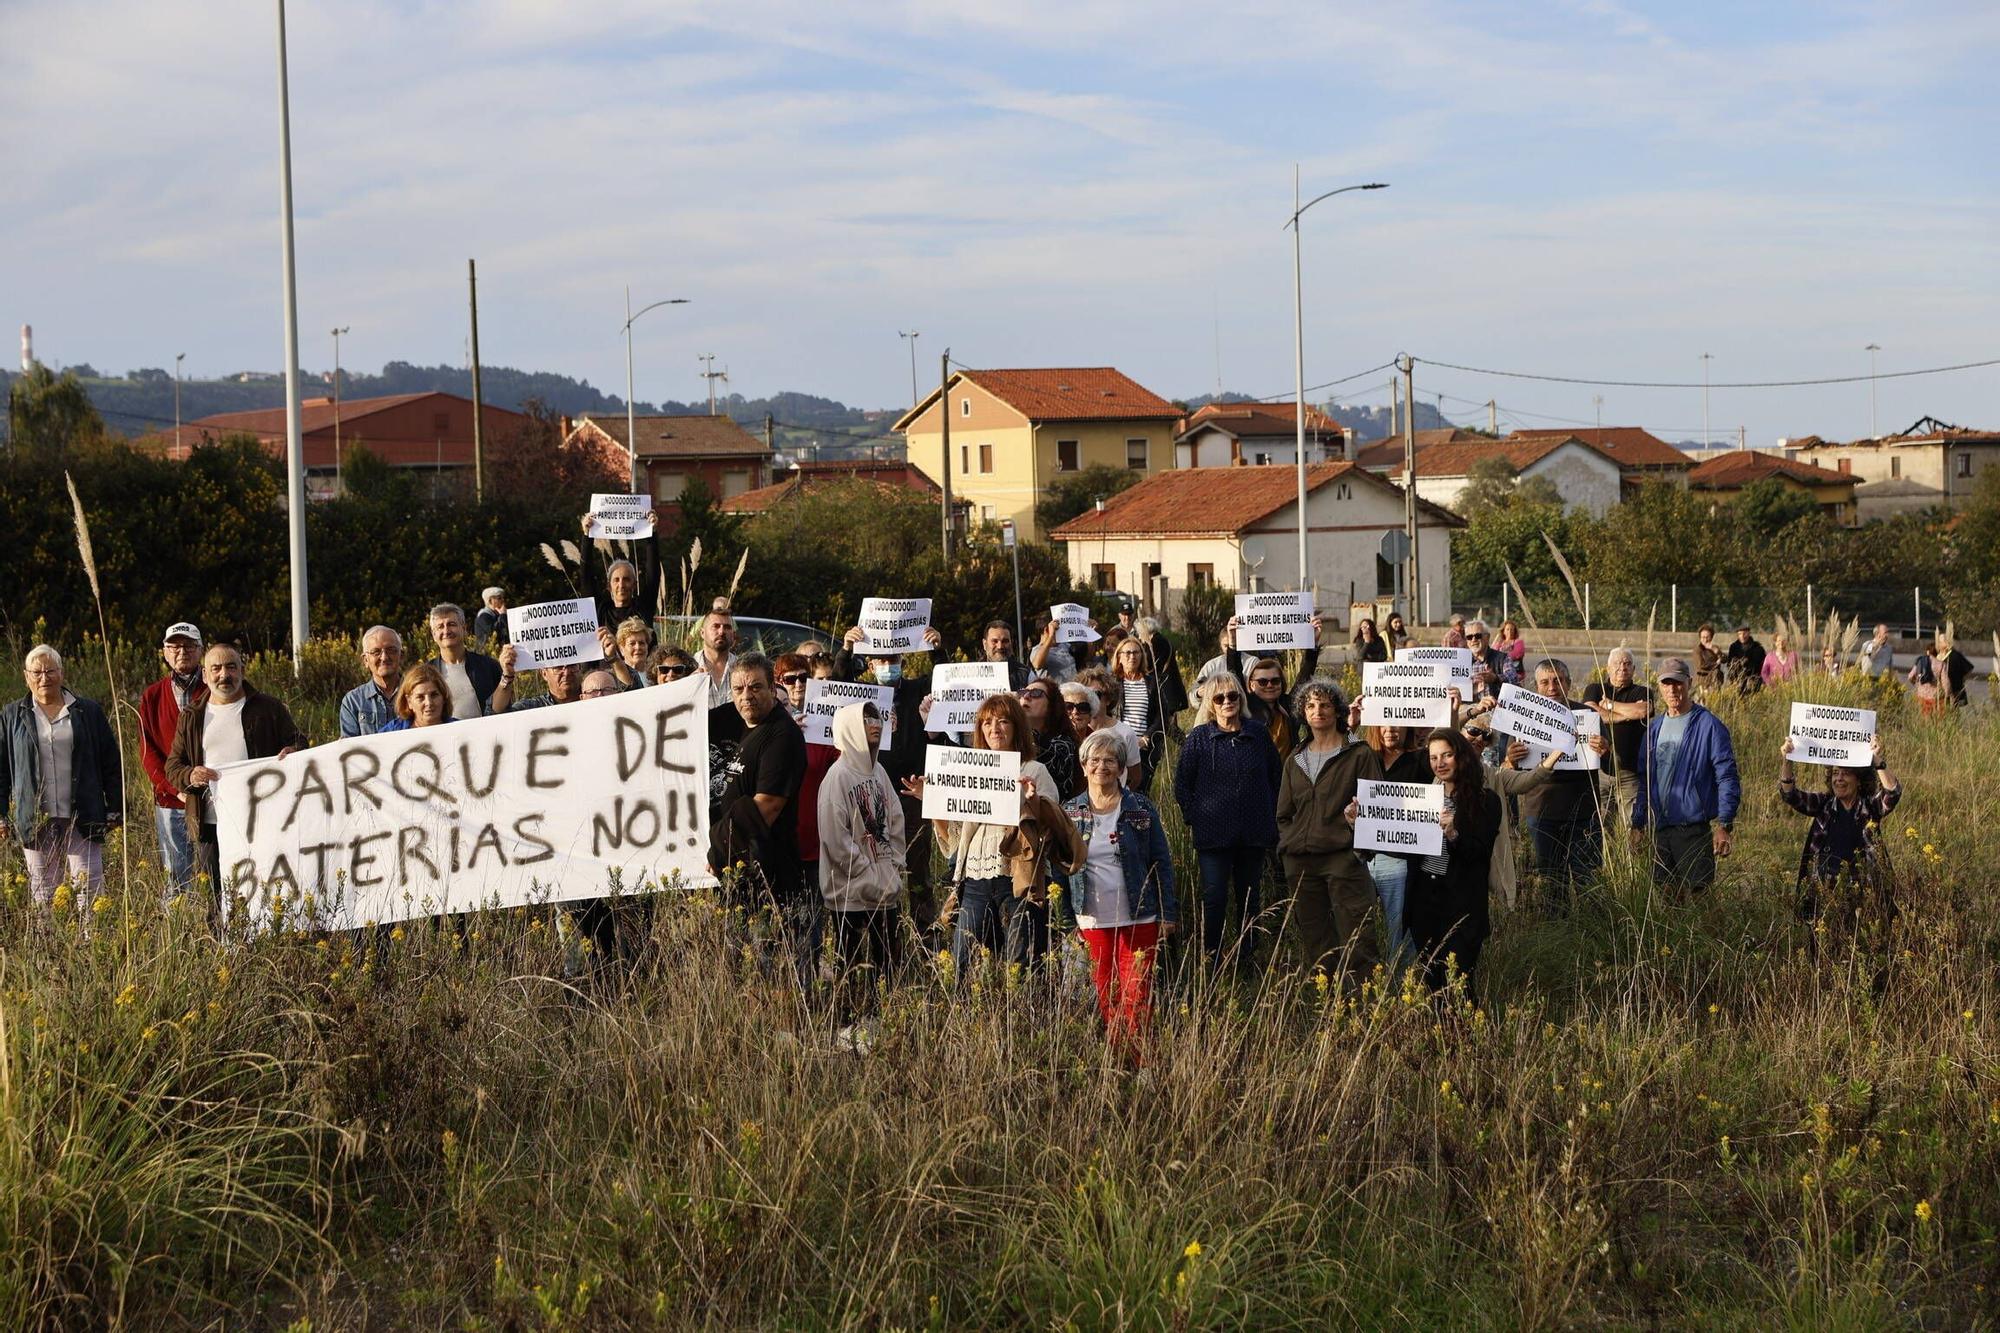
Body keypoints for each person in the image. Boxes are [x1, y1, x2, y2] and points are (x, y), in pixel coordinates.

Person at [909, 692, 1059, 978]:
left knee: (1022, 963)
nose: (994, 729)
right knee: (962, 961)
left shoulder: (1034, 770)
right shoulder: (969, 772)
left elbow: (1051, 827)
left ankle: (1023, 1017)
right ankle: (966, 1018)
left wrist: (1032, 801)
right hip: (976, 879)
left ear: (1017, 727)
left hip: (1018, 877)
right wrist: (931, 802)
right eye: (987, 723)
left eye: (1003, 721)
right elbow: (955, 841)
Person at [1059, 729, 1178, 1061]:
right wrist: (1067, 922)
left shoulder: (1140, 807)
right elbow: (1059, 869)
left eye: (1110, 760)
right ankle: (1119, 1058)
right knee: (1107, 993)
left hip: (1140, 915)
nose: (1102, 767)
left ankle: (1142, 1065)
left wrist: (1169, 912)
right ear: (1083, 767)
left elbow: (1161, 861)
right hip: (1092, 920)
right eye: (1094, 760)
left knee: (1137, 993)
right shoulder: (1069, 812)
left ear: (1122, 767)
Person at [1353, 728, 1498, 995]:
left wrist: (1454, 834)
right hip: (1424, 904)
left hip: (1462, 906)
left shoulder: (1486, 800)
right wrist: (1360, 823)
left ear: (1462, 756)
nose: (1440, 763)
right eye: (1433, 758)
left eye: (1447, 755)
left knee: (1460, 986)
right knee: (1433, 984)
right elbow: (1397, 839)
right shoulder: (1420, 800)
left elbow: (1479, 854)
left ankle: (1463, 1034)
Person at [165, 643, 308, 904]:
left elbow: (299, 742)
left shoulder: (269, 708)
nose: (224, 675)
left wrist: (292, 751)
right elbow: (173, 766)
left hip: (262, 820)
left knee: (266, 886)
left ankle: (265, 941)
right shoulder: (192, 716)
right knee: (215, 891)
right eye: (216, 669)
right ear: (205, 675)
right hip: (210, 823)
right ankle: (219, 941)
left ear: (242, 670)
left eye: (231, 667)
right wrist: (191, 776)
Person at [832, 622, 945, 929]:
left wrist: (937, 650)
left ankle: (925, 937)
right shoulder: (864, 697)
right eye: (880, 661)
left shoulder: (916, 691)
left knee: (918, 869)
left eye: (892, 660)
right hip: (872, 794)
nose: (887, 666)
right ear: (870, 665)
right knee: (877, 867)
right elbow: (836, 687)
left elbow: (945, 683)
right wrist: (845, 650)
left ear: (901, 662)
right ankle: (885, 933)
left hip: (911, 793)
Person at [1275, 679, 1381, 987]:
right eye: (1310, 705)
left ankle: (1361, 1011)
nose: (1317, 711)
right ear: (1303, 713)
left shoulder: (1359, 754)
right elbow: (1283, 813)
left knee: (1358, 938)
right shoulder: (1295, 759)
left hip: (1343, 860)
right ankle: (1328, 1007)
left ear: (1337, 710)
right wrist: (1289, 843)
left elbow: (1376, 812)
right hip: (1301, 863)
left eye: (1324, 704)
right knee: (1316, 941)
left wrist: (1355, 838)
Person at [1173, 672, 1282, 973]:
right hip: (1213, 837)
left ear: (1241, 699)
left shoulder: (1258, 734)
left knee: (1250, 898)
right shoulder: (1198, 739)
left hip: (1254, 833)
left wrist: (1270, 813)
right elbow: (1182, 784)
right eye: (1219, 698)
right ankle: (1213, 958)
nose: (1227, 702)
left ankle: (1246, 958)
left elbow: (1277, 776)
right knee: (1215, 898)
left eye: (1232, 696)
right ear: (1210, 703)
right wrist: (1195, 816)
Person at [1, 645, 123, 905]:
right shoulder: (12, 715)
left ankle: (92, 943)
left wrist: (115, 806)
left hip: (83, 814)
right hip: (36, 818)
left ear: (61, 673)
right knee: (44, 892)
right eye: (36, 672)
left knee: (89, 887)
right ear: (26, 676)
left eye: (50, 671)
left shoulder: (88, 711)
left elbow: (111, 762)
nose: (44, 678)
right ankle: (46, 944)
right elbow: (1, 771)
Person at [817, 701, 908, 1048]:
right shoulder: (837, 778)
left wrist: (892, 866)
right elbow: (835, 840)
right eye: (866, 718)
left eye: (877, 716)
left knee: (887, 964)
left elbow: (896, 819)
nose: (875, 723)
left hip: (885, 890)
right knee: (851, 965)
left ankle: (879, 1022)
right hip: (850, 895)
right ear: (849, 727)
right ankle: (847, 1028)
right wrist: (869, 876)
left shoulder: (878, 772)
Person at [1630, 657, 1741, 894]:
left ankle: (1712, 933)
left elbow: (1727, 776)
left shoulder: (1708, 725)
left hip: (1692, 829)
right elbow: (1645, 781)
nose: (1672, 689)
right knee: (1667, 898)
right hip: (1660, 830)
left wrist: (1724, 824)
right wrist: (1638, 824)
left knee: (1701, 900)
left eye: (1678, 682)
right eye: (1666, 683)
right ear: (1659, 687)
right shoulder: (1653, 729)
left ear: (1689, 683)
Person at [708, 653, 808, 913]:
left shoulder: (782, 735)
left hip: (770, 879)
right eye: (738, 689)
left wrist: (717, 851)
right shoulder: (745, 726)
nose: (746, 696)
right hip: (738, 871)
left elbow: (767, 806)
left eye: (755, 687)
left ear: (773, 690)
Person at [1780, 733, 1899, 932]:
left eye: (1845, 773)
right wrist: (1787, 759)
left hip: (1862, 892)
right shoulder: (1823, 805)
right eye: (1835, 773)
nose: (1839, 779)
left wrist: (1877, 760)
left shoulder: (1870, 808)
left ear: (1859, 780)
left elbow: (1892, 793)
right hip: (1824, 893)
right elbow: (1790, 794)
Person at [1517, 659, 1609, 911]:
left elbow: (1610, 766)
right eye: (1545, 682)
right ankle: (1556, 937)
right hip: (1542, 813)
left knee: (1589, 882)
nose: (1552, 687)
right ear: (1536, 687)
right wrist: (1510, 757)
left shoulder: (1588, 717)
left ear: (1568, 684)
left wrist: (1605, 751)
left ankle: (1592, 937)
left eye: (1558, 680)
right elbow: (1509, 770)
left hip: (1583, 814)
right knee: (1550, 884)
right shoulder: (1524, 718)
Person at [138, 621, 206, 895]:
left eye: (189, 645)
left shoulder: (216, 688)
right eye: (174, 646)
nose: (182, 651)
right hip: (170, 801)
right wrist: (173, 788)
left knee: (217, 871)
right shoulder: (152, 696)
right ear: (164, 652)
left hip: (214, 797)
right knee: (177, 877)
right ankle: (179, 931)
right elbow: (148, 751)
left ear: (201, 650)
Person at [1359, 721, 1432, 958]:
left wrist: (1452, 711)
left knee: (1399, 928)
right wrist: (1350, 723)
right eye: (1384, 725)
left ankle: (1401, 985)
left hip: (1399, 860)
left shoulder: (1420, 760)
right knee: (1358, 926)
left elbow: (1447, 756)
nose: (1391, 730)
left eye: (1397, 725)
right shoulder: (1365, 757)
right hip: (1363, 857)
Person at [1475, 723, 1559, 912]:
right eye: (1472, 731)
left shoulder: (1493, 775)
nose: (1479, 739)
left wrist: (1557, 753)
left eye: (1486, 736)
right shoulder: (1441, 771)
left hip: (1486, 852)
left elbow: (1527, 781)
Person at [1581, 646, 1653, 829]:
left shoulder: (1642, 691)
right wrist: (1627, 715)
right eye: (1617, 663)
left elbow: (1643, 710)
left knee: (1634, 827)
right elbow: (1591, 712)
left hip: (1629, 772)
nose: (1622, 667)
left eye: (1628, 663)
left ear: (1634, 669)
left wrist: (1609, 705)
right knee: (1601, 826)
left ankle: (1631, 858)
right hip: (1600, 771)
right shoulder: (1595, 689)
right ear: (1607, 667)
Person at [427, 603, 516, 719]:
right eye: (440, 627)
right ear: (434, 635)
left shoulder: (488, 666)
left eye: (451, 624)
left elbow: (499, 710)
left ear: (464, 629)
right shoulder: (427, 673)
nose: (446, 630)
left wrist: (507, 676)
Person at [1110, 636, 1167, 790]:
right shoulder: (1112, 684)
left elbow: (1162, 716)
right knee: (1115, 791)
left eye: (1136, 653)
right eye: (1127, 653)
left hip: (1143, 750)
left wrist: (1146, 738)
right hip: (1117, 748)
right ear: (1119, 657)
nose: (1132, 656)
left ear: (1142, 656)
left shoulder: (1152, 683)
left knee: (1139, 793)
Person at [1075, 667, 1144, 789]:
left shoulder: (1126, 733)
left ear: (1108, 699)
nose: (1091, 700)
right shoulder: (1073, 730)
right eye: (1086, 695)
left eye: (1096, 694)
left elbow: (1135, 777)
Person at [338, 625, 406, 738]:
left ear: (401, 655)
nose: (384, 657)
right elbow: (349, 749)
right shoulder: (353, 701)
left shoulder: (417, 693)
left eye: (391, 650)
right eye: (376, 652)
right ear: (365, 660)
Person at [1019, 679, 1079, 802]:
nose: (1026, 696)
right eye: (1023, 692)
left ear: (1052, 705)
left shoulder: (1064, 744)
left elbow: (1043, 752)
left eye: (1036, 693)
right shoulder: (1014, 737)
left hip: (1051, 815)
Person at [590, 556, 656, 641]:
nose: (621, 585)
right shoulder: (602, 610)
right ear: (609, 586)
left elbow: (653, 576)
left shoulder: (643, 608)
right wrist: (587, 542)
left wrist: (651, 542)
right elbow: (586, 577)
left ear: (634, 584)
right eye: (616, 580)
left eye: (626, 579)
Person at [1908, 632, 1973, 713]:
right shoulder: (1937, 657)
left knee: (1952, 714)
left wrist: (1962, 680)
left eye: (1941, 641)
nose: (1938, 643)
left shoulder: (1955, 655)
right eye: (1938, 641)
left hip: (1953, 691)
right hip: (1939, 695)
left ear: (1947, 642)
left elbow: (1968, 669)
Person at [377, 663, 455, 730]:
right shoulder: (393, 731)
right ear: (409, 702)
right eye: (420, 697)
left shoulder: (461, 728)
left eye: (434, 695)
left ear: (444, 697)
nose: (428, 703)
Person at [695, 604, 740, 708]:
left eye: (727, 627)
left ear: (733, 635)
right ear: (702, 633)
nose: (721, 632)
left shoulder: (742, 668)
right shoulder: (689, 667)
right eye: (715, 626)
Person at [975, 620, 1035, 690]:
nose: (1000, 646)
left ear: (1011, 643)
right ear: (985, 644)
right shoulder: (972, 675)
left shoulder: (1026, 674)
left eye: (1005, 641)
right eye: (994, 641)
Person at [604, 617, 656, 691]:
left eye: (641, 643)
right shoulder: (611, 678)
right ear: (621, 649)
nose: (638, 647)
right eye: (632, 644)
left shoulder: (657, 674)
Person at [507, 662, 584, 709]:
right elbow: (501, 716)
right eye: (558, 667)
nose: (566, 673)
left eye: (572, 665)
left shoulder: (594, 697)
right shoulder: (531, 708)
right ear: (544, 673)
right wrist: (507, 676)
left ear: (580, 667)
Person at [1465, 619, 1512, 697]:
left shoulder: (1502, 658)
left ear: (1487, 637)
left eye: (1478, 636)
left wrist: (1495, 678)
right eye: (1469, 637)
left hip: (1496, 707)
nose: (1473, 640)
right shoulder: (1462, 661)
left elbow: (1513, 680)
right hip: (1471, 708)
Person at [1724, 624, 1766, 694]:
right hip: (1737, 681)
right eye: (1740, 634)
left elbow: (1761, 666)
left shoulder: (1758, 648)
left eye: (1744, 633)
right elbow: (1730, 665)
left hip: (1753, 680)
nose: (1742, 636)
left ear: (1749, 633)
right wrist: (1734, 680)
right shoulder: (1733, 647)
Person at [1692, 624, 1724, 693]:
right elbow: (1701, 665)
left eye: (1707, 637)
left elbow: (1725, 659)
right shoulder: (1698, 650)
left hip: (1716, 680)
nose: (1705, 640)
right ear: (1700, 638)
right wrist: (1716, 664)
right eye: (1703, 637)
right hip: (1703, 681)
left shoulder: (1714, 647)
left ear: (1711, 637)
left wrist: (1718, 652)